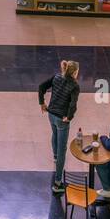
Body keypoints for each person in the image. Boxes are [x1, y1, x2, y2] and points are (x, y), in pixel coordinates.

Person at [38, 59, 80, 193]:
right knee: (63, 149)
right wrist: (69, 116)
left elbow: (41, 87)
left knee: (54, 135)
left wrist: (42, 103)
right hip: (62, 119)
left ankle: (55, 157)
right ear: (74, 72)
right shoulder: (74, 85)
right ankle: (57, 183)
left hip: (51, 114)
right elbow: (73, 104)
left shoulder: (56, 77)